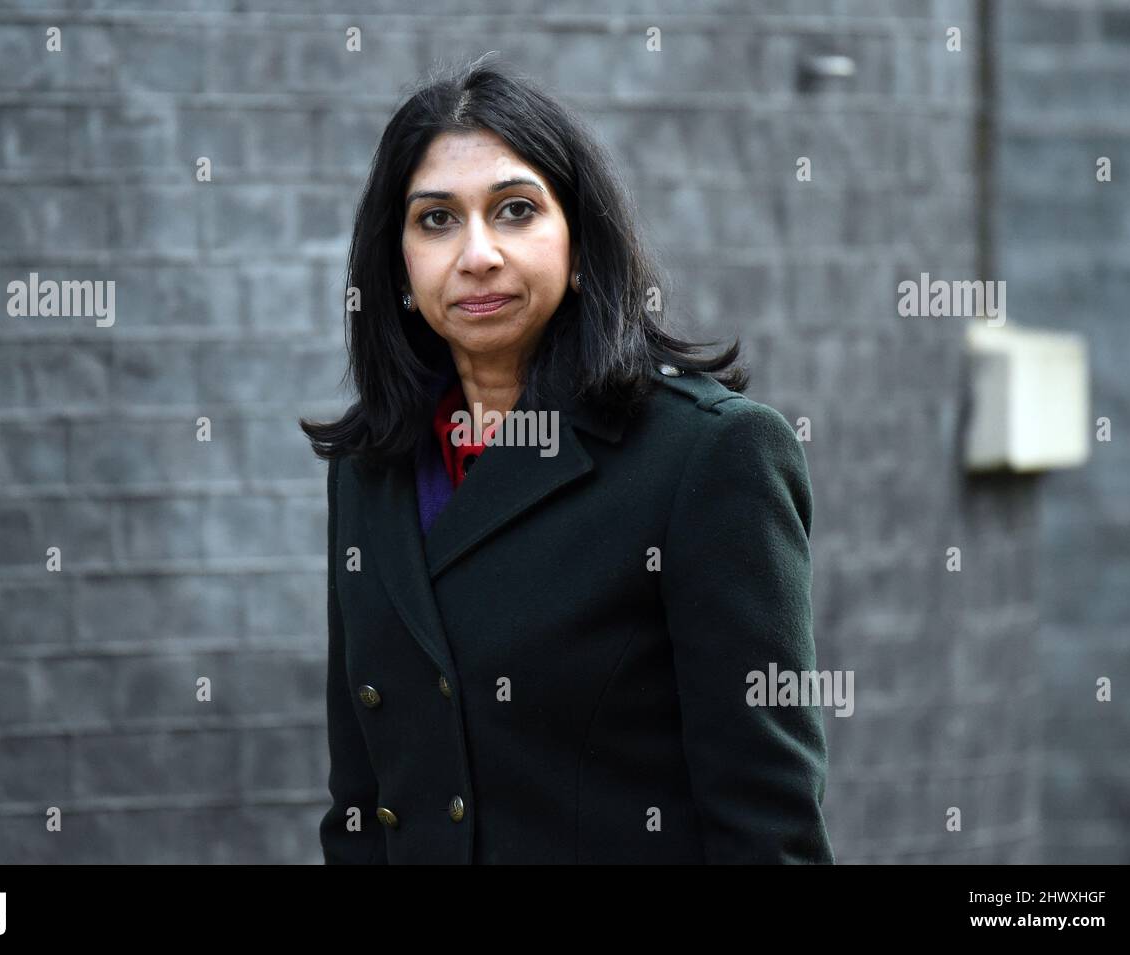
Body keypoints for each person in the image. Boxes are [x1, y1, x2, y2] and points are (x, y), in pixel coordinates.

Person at [300, 54, 834, 864]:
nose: (476, 253)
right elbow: (360, 807)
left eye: (514, 210)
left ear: (581, 246)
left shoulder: (709, 457)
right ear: (399, 265)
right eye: (436, 220)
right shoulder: (371, 467)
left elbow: (767, 830)